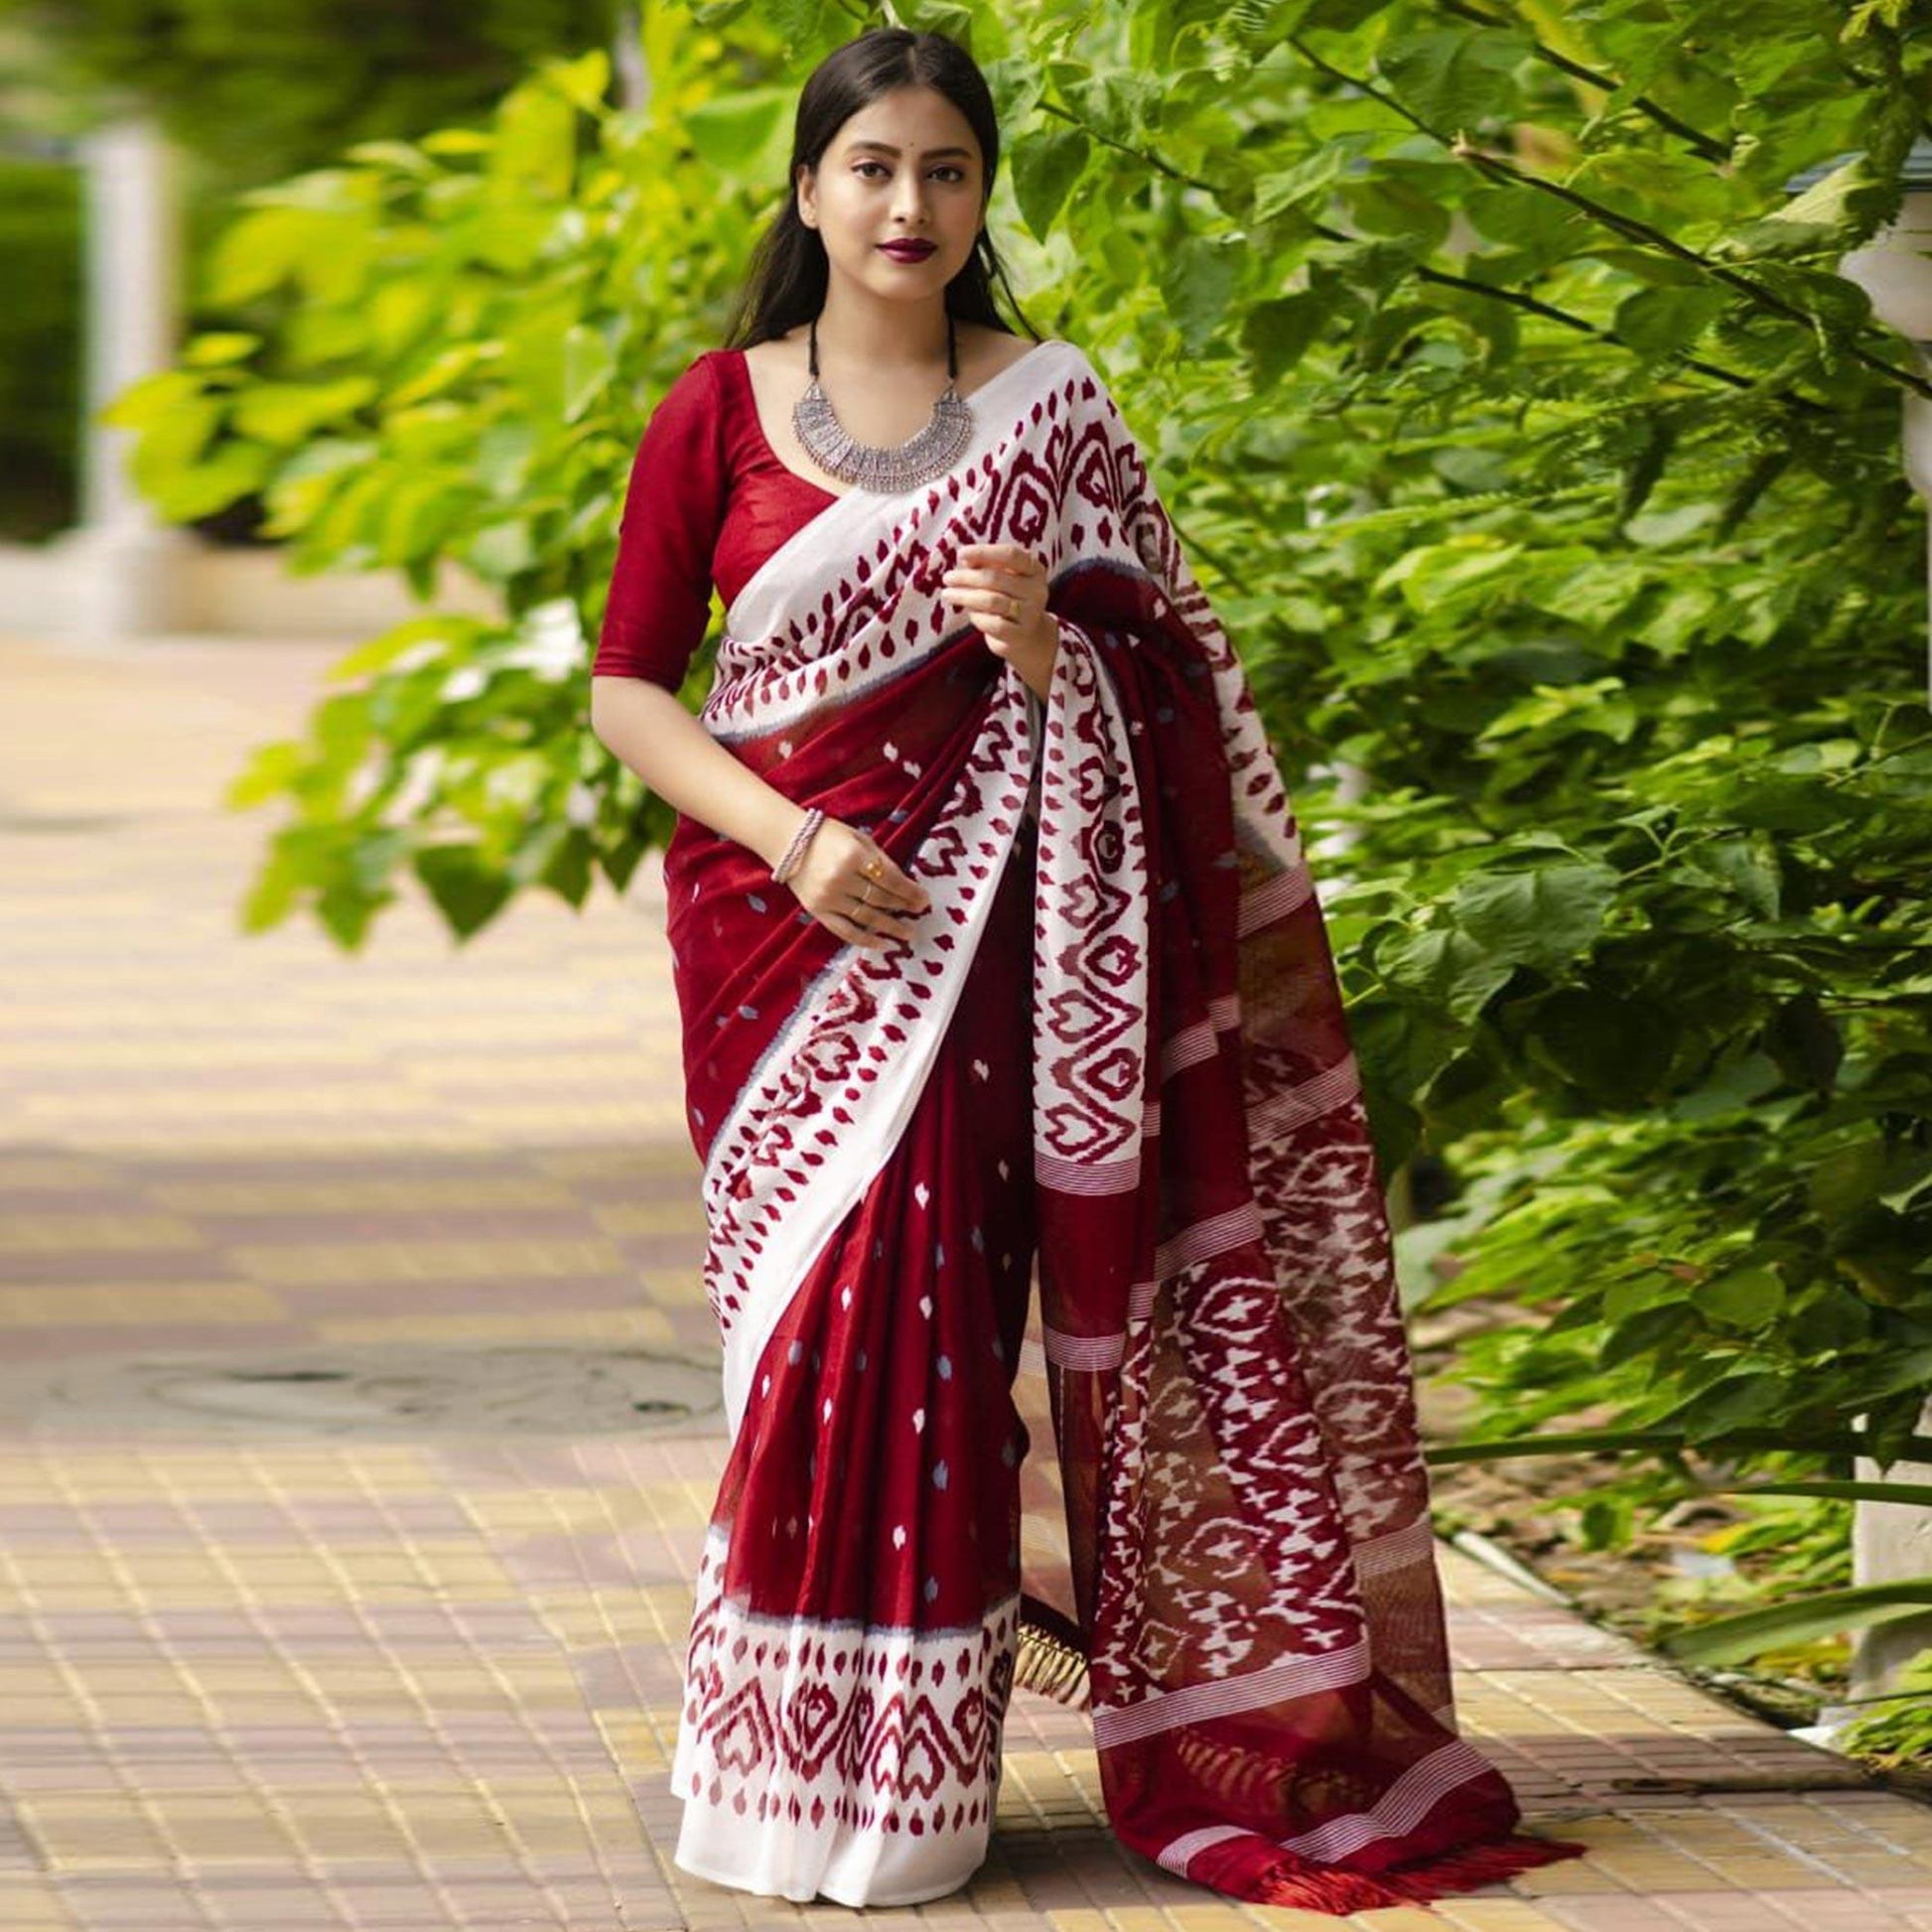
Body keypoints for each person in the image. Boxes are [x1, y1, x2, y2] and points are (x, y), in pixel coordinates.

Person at [588, 23, 1585, 1917]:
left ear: (981, 199)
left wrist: (1049, 643)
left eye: (944, 170)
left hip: (989, 963)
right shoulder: (713, 409)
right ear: (807, 190)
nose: (907, 203)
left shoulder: (1053, 406)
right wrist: (791, 838)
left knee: (945, 1350)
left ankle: (908, 1788)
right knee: (805, 1347)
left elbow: (1178, 691)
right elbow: (632, 682)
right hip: (777, 950)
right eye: (871, 166)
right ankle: (770, 1770)